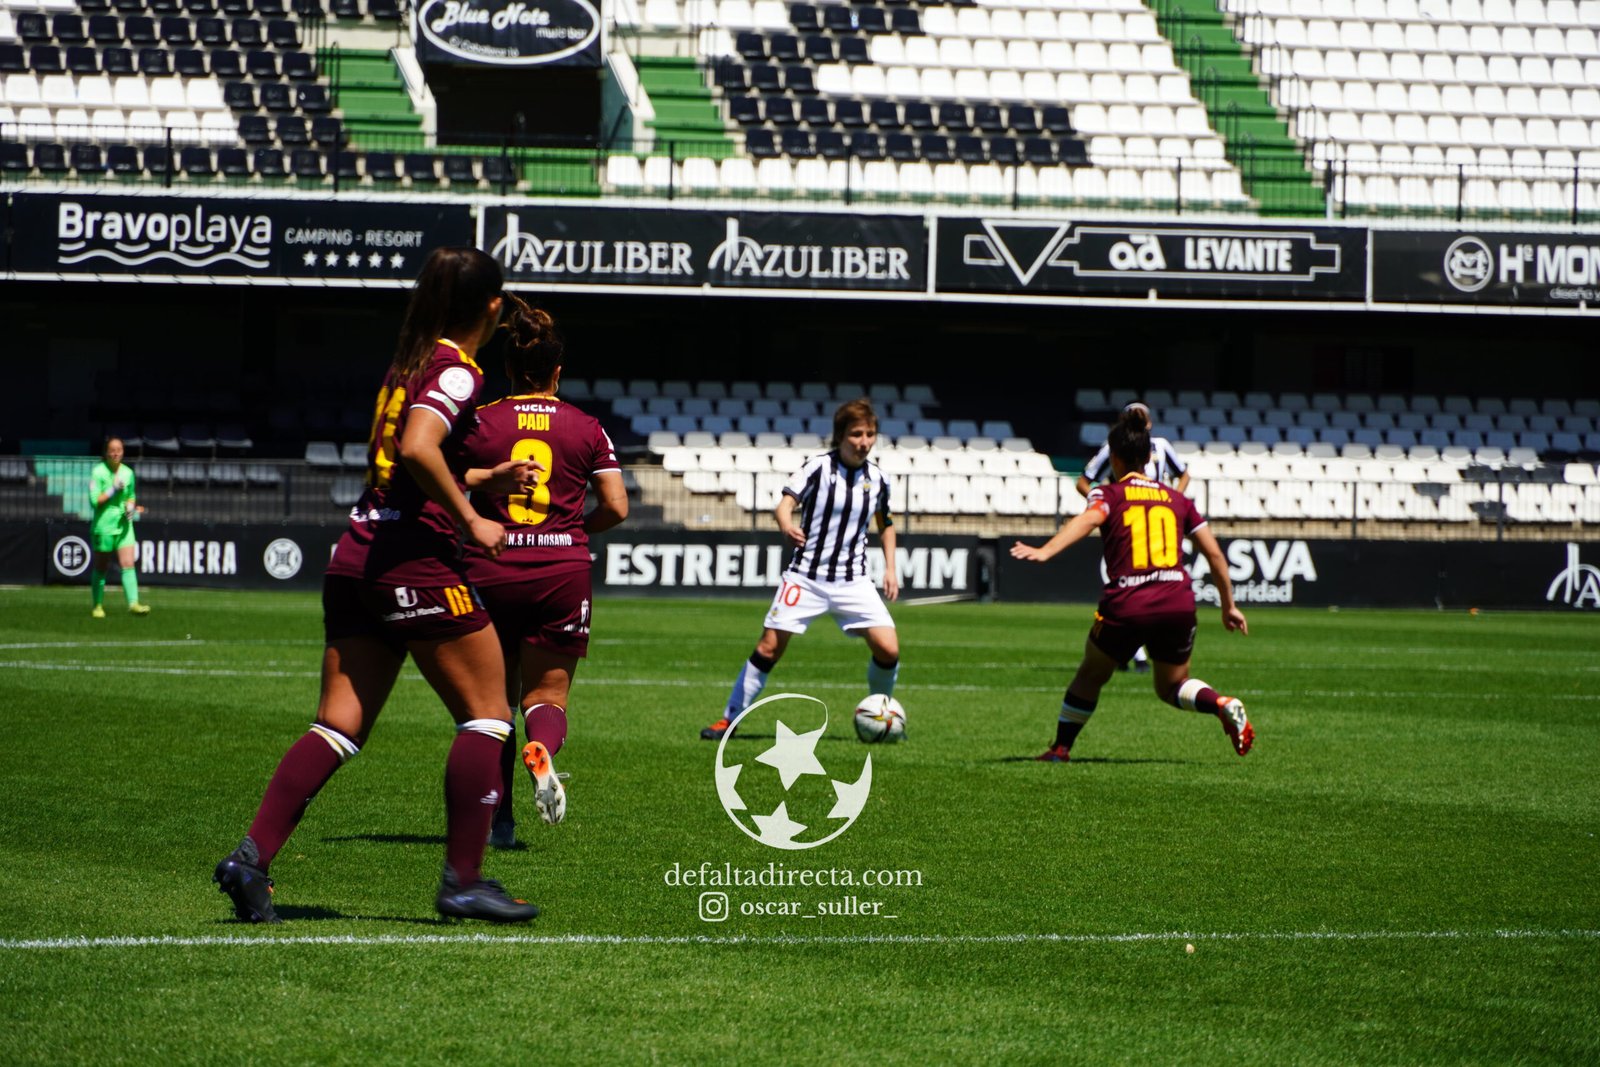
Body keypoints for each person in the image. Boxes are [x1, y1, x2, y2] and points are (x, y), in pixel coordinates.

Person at [212, 247, 544, 924]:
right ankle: (464, 879)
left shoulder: (411, 362)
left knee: (337, 724)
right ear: (492, 307)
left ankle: (249, 858)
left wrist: (484, 479)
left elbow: (405, 459)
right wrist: (473, 518)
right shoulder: (456, 370)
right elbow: (420, 449)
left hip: (356, 554)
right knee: (489, 713)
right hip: (411, 560)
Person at [453, 300, 629, 849]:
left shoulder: (481, 422)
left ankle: (498, 822)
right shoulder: (587, 427)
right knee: (547, 698)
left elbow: (444, 481)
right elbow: (617, 507)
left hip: (493, 565)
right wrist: (574, 529)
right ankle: (543, 749)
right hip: (561, 570)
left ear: (509, 369)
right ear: (557, 371)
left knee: (492, 704)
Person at [1011, 406, 1253, 763]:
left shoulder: (1109, 495)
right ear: (1149, 457)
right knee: (1171, 685)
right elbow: (1216, 556)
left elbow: (1088, 519)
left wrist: (1047, 551)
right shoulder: (1178, 500)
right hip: (1177, 601)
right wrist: (1228, 605)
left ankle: (1061, 748)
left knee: (1091, 674)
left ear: (1117, 458)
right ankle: (1220, 703)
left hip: (1128, 602)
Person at [700, 397, 900, 741]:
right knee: (768, 647)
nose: (863, 441)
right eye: (856, 434)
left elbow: (886, 523)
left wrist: (891, 568)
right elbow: (785, 504)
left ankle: (882, 711)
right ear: (840, 436)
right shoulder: (818, 468)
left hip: (853, 580)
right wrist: (786, 525)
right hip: (806, 577)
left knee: (888, 649)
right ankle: (729, 719)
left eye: (869, 434)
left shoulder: (878, 480)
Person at [1075, 400, 1188, 672]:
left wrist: (1173, 500)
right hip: (1129, 526)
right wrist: (1105, 504)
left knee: (1143, 585)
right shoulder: (1113, 449)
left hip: (1156, 525)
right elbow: (1084, 481)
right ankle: (1137, 654)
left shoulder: (1160, 446)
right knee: (1132, 584)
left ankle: (1134, 650)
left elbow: (1183, 475)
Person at [88, 437, 150, 618]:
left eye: (119, 450)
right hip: (104, 527)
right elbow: (95, 501)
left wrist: (130, 508)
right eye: (112, 450)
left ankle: (134, 604)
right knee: (101, 567)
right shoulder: (98, 472)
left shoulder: (128, 473)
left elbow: (131, 496)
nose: (116, 453)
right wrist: (112, 489)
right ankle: (97, 605)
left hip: (124, 525)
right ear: (106, 452)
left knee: (128, 564)